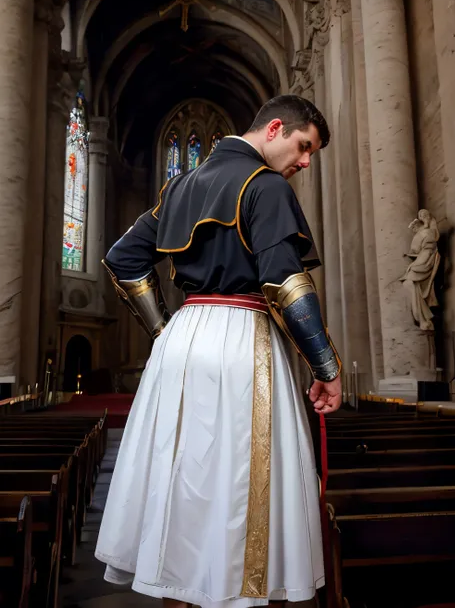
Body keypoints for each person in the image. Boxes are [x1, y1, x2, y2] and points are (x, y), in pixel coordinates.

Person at [95, 94, 343, 608]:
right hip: (242, 339)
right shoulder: (266, 187)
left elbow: (123, 259)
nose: (304, 162)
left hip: (181, 343)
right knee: (244, 487)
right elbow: (286, 283)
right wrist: (326, 367)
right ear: (274, 128)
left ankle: (179, 595)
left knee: (182, 483)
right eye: (303, 147)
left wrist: (164, 328)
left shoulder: (180, 186)